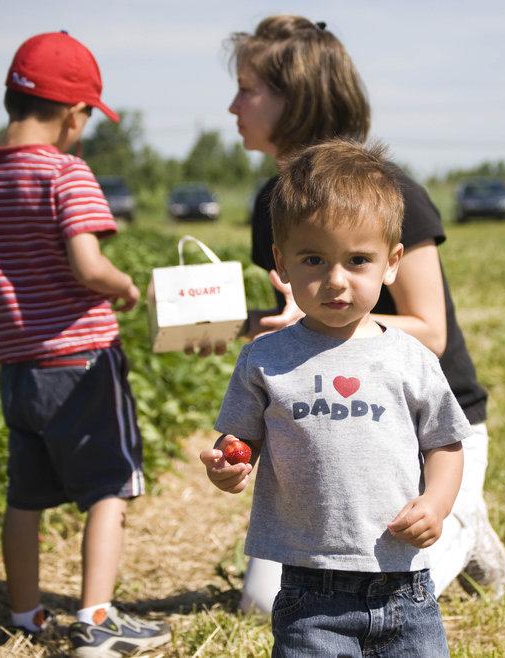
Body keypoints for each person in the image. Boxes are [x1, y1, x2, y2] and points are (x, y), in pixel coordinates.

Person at [223, 14, 505, 613]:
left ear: (295, 97)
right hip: (327, 429)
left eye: (247, 88)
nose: (232, 106)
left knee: (408, 577)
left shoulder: (392, 191)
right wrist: (229, 327)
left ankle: (461, 518)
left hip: (419, 426)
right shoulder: (273, 203)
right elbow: (300, 316)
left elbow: (430, 331)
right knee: (259, 605)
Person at [201, 139, 469, 657]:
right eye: (314, 259)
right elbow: (240, 438)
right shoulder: (265, 358)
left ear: (392, 263)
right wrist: (229, 463)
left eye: (358, 260)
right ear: (280, 262)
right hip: (309, 587)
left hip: (403, 580)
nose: (335, 281)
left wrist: (436, 503)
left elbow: (445, 443)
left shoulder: (409, 358)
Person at [0, 31, 170, 656]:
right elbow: (85, 263)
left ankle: (24, 616)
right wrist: (124, 285)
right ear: (75, 114)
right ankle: (96, 620)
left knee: (25, 498)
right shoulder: (66, 172)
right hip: (81, 363)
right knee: (110, 488)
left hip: (17, 369)